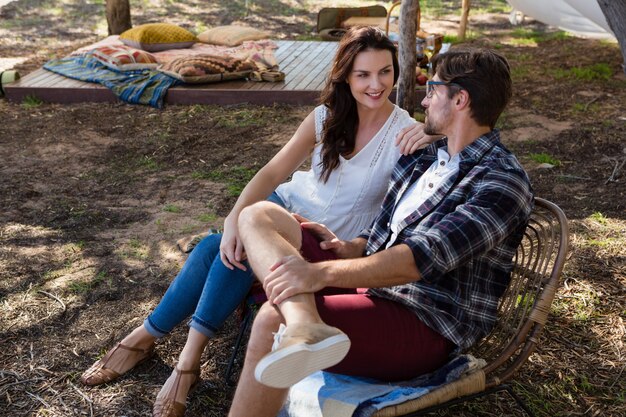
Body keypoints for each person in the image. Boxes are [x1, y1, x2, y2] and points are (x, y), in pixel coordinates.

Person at [80, 26, 436, 417]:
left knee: (212, 249)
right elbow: (271, 173)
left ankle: (155, 344)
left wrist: (429, 130)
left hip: (319, 240)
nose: (376, 84)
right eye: (363, 74)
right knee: (226, 245)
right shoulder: (326, 117)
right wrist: (236, 218)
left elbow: (419, 193)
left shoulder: (406, 133)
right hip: (280, 209)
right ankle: (182, 360)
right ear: (346, 77)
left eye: (385, 72)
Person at [227, 46, 534, 417]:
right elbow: (386, 229)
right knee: (258, 216)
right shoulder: (425, 158)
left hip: (424, 322)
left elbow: (418, 259)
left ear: (460, 99)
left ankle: (299, 326)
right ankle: (306, 324)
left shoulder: (501, 182)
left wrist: (317, 272)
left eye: (433, 89)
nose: (425, 99)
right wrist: (351, 247)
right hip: (373, 288)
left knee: (273, 319)